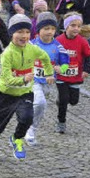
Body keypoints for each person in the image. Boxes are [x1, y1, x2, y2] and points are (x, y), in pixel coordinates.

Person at [0, 14, 53, 162]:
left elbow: (45, 57)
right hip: (6, 93)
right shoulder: (7, 54)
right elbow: (7, 79)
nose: (24, 36)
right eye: (20, 32)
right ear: (11, 33)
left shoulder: (32, 49)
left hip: (25, 92)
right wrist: (23, 79)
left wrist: (49, 73)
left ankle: (17, 138)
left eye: (27, 32)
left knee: (27, 118)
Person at [26, 12, 67, 146]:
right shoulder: (31, 45)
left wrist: (61, 69)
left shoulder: (58, 47)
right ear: (38, 30)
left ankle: (32, 127)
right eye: (46, 29)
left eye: (52, 29)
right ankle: (30, 130)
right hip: (33, 81)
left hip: (48, 83)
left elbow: (66, 62)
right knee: (40, 103)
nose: (49, 32)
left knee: (40, 107)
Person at [55, 12, 90, 133]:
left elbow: (88, 56)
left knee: (73, 101)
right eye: (73, 25)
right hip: (61, 76)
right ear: (66, 26)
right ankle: (61, 122)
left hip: (75, 76)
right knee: (64, 99)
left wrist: (86, 70)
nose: (76, 28)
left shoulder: (82, 41)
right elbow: (52, 55)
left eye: (78, 26)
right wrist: (54, 66)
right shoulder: (58, 40)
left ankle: (61, 100)